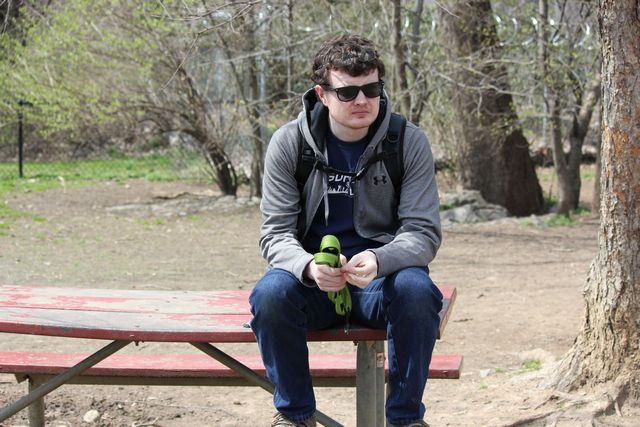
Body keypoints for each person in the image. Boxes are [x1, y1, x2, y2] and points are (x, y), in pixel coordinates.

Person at [250, 34, 443, 427]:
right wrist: (307, 267)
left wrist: (379, 258)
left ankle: (405, 419)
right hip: (314, 283)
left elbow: (423, 232)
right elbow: (274, 234)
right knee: (269, 295)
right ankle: (294, 415)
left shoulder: (407, 141)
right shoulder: (289, 143)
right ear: (322, 94)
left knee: (417, 291)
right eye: (348, 92)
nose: (361, 101)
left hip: (381, 280)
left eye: (371, 88)